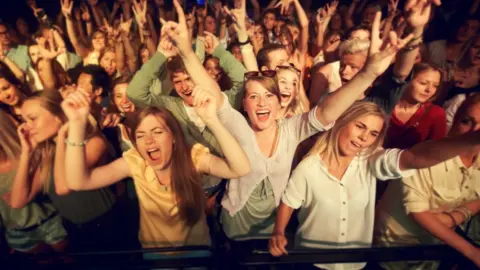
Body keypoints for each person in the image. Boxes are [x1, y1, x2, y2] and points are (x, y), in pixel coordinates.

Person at [61, 86, 250, 249]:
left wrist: (212, 120)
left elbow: (240, 169)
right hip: (156, 255)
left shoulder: (193, 157)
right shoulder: (136, 161)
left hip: (197, 251)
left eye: (157, 132)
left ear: (174, 136)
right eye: (141, 135)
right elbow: (78, 182)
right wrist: (76, 125)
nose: (149, 140)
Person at [374, 94, 480, 269]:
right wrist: (471, 252)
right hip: (392, 256)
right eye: (467, 121)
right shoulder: (428, 156)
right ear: (455, 122)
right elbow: (418, 213)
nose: (475, 131)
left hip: (433, 257)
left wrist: (456, 216)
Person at [10, 90, 122, 252]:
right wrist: (26, 154)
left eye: (32, 118)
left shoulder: (92, 141)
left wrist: (62, 134)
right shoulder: (47, 152)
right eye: (24, 120)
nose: (26, 127)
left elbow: (64, 187)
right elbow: (17, 201)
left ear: (59, 115)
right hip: (73, 229)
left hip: (106, 226)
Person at [0, 109, 68, 254]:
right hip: (18, 233)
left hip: (51, 222)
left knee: (68, 261)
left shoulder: (33, 151)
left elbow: (18, 201)